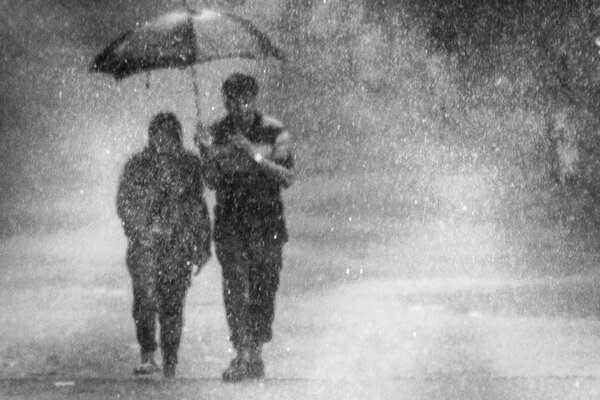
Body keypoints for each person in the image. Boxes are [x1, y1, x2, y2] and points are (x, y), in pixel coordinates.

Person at [195, 73, 295, 382]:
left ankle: (256, 352)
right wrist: (207, 152)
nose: (238, 107)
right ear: (224, 101)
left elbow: (287, 177)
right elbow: (210, 180)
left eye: (244, 100)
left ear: (253, 99)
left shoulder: (274, 130)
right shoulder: (215, 131)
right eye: (231, 101)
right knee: (236, 286)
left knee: (264, 286)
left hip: (266, 221)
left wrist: (253, 153)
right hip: (231, 221)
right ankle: (242, 353)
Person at [117, 112, 211, 379]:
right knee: (145, 299)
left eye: (169, 136)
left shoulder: (189, 165)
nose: (162, 141)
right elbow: (125, 203)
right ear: (151, 137)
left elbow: (198, 206)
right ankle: (148, 354)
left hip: (177, 244)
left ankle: (170, 359)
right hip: (144, 244)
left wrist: (202, 244)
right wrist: (142, 231)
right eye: (157, 135)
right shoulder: (137, 165)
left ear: (177, 138)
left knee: (172, 303)